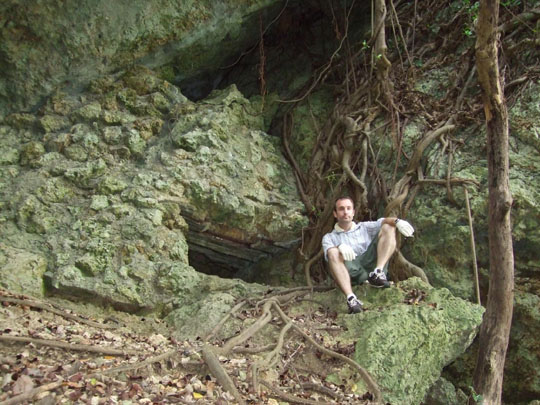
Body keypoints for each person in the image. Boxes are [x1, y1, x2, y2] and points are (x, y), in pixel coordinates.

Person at [322, 196, 414, 314]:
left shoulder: (364, 227)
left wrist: (397, 221)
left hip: (371, 265)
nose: (345, 212)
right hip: (353, 272)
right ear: (335, 214)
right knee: (332, 251)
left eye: (349, 208)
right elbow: (331, 256)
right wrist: (338, 246)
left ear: (353, 212)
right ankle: (351, 299)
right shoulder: (329, 237)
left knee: (388, 226)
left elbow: (384, 221)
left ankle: (378, 273)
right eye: (341, 209)